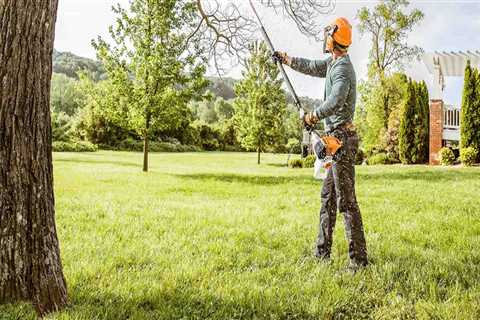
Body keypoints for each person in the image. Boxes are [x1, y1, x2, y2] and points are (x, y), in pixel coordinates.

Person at [274, 17, 368, 271]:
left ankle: (359, 261)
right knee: (328, 198)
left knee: (347, 203)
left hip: (342, 141)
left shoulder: (342, 69)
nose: (324, 38)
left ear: (333, 38)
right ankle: (321, 253)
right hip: (334, 140)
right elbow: (312, 65)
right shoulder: (333, 63)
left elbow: (337, 99)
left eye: (327, 34)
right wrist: (287, 59)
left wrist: (313, 115)